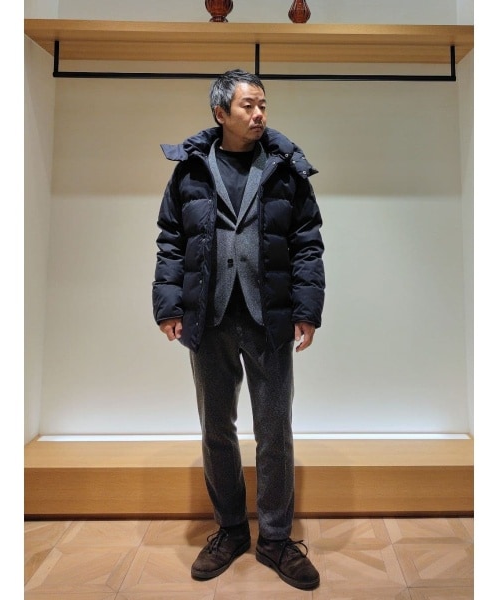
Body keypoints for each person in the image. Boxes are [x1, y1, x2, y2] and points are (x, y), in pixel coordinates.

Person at [152, 69, 325, 591]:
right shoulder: (190, 170)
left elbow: (307, 242)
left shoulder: (286, 168)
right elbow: (171, 240)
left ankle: (274, 538)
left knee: (274, 430)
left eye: (263, 105)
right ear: (220, 113)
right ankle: (230, 530)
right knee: (216, 429)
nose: (259, 114)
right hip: (209, 318)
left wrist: (306, 309)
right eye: (248, 106)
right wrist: (168, 305)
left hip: (268, 317)